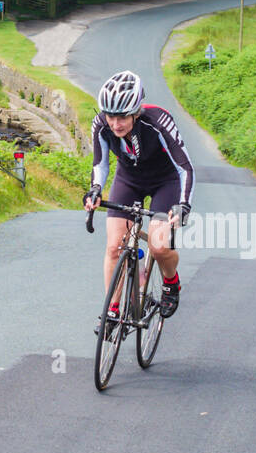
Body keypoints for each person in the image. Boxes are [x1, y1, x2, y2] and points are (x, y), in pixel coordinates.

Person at [82, 69, 194, 333]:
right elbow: (100, 164)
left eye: (122, 117)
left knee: (158, 245)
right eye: (110, 116)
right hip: (129, 178)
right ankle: (112, 312)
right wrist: (95, 190)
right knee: (113, 247)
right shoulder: (100, 124)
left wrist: (183, 204)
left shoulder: (158, 121)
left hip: (165, 180)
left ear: (135, 112)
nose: (115, 123)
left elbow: (185, 168)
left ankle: (170, 281)